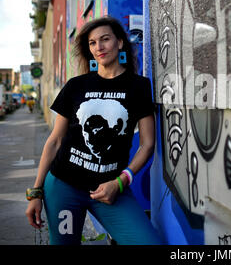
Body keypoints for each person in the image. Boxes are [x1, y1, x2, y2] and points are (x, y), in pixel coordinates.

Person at [25, 16, 161, 245]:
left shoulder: (139, 86)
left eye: (105, 39)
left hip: (110, 189)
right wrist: (36, 192)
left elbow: (147, 144)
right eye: (92, 43)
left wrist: (121, 181)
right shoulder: (76, 86)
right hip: (63, 187)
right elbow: (55, 141)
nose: (99, 47)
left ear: (119, 42)